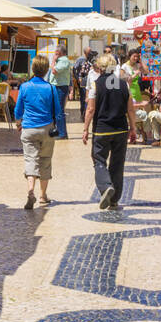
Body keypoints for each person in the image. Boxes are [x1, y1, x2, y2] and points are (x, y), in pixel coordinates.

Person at [82, 52, 131, 209]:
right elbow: (130, 109)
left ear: (99, 68)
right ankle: (115, 199)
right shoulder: (123, 84)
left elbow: (90, 109)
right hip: (121, 129)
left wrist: (85, 129)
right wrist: (134, 128)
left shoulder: (96, 85)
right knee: (117, 163)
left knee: (99, 160)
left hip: (102, 129)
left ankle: (105, 187)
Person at [14, 55, 60, 209]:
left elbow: (18, 110)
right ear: (47, 70)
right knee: (45, 160)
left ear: (32, 69)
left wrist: (18, 122)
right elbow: (58, 112)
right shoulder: (51, 88)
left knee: (30, 160)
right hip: (47, 129)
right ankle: (42, 195)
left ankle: (30, 190)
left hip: (29, 129)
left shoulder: (25, 87)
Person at [51, 47, 72, 139]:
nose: (54, 53)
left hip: (60, 87)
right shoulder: (61, 60)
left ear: (60, 52)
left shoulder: (63, 60)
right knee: (57, 110)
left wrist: (53, 61)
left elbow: (54, 71)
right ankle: (60, 131)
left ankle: (62, 133)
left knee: (59, 111)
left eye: (56, 52)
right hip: (58, 86)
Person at [73, 48, 95, 118]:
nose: (91, 53)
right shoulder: (80, 59)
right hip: (83, 80)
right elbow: (74, 68)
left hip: (91, 81)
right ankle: (83, 112)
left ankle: (87, 112)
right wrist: (77, 78)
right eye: (89, 52)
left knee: (90, 97)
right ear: (86, 52)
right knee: (83, 97)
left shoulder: (92, 60)